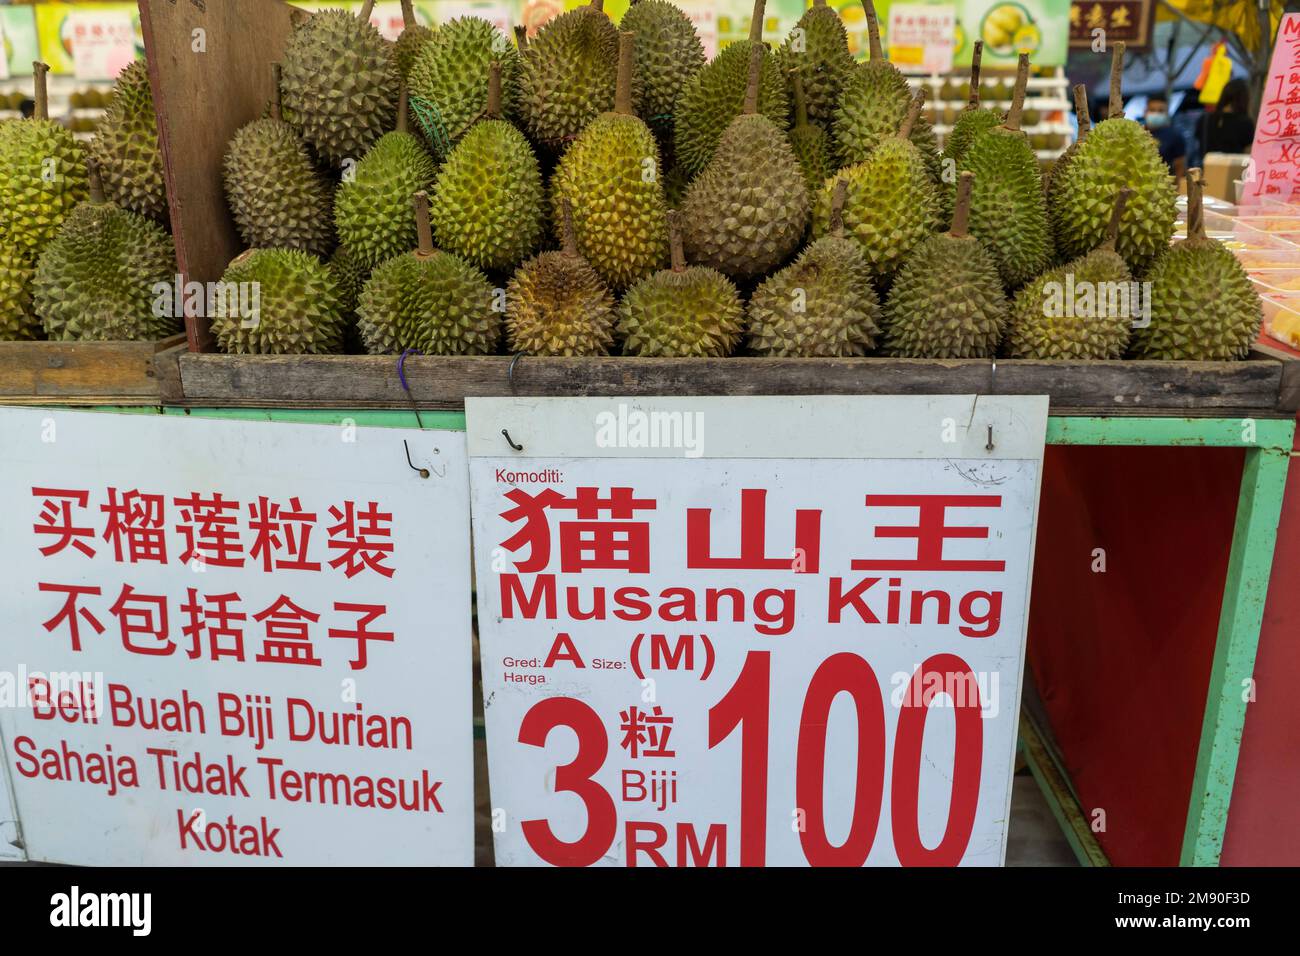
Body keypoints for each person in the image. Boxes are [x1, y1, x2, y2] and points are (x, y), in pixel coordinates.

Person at [1199, 78, 1255, 154]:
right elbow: (1248, 153)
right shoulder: (1246, 123)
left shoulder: (1204, 119)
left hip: (1208, 165)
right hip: (1235, 165)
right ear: (1244, 98)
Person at [1145, 96, 1187, 183]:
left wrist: (1177, 186)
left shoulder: (1175, 136)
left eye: (1160, 111)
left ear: (1166, 113)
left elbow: (1180, 165)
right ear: (1145, 112)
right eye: (1152, 110)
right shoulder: (1138, 132)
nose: (1156, 114)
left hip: (1164, 183)